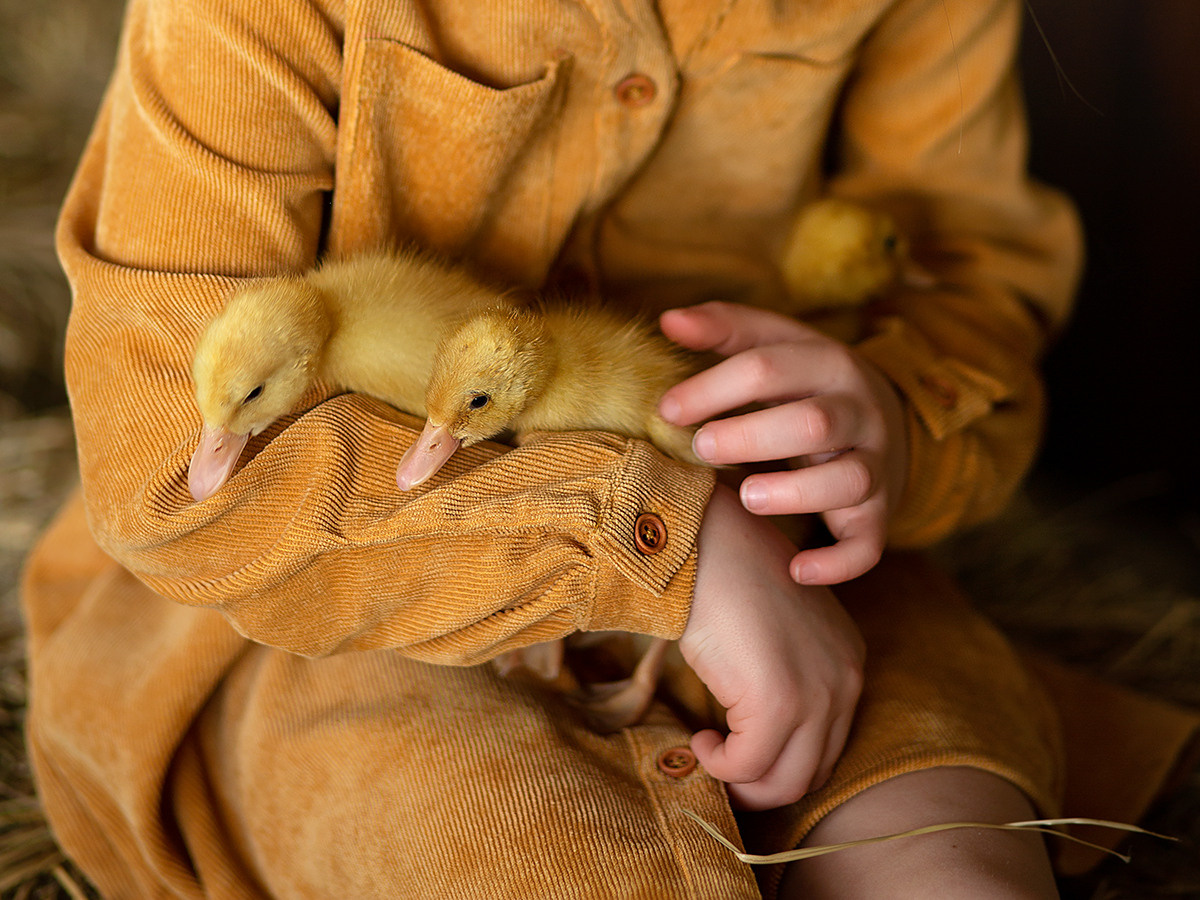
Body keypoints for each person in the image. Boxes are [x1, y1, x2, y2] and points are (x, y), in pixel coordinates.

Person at [22, 0, 1200, 897]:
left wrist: (888, 411)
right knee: (530, 852)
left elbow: (973, 270)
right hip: (332, 586)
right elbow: (169, 468)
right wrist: (664, 539)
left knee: (948, 862)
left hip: (786, 548)